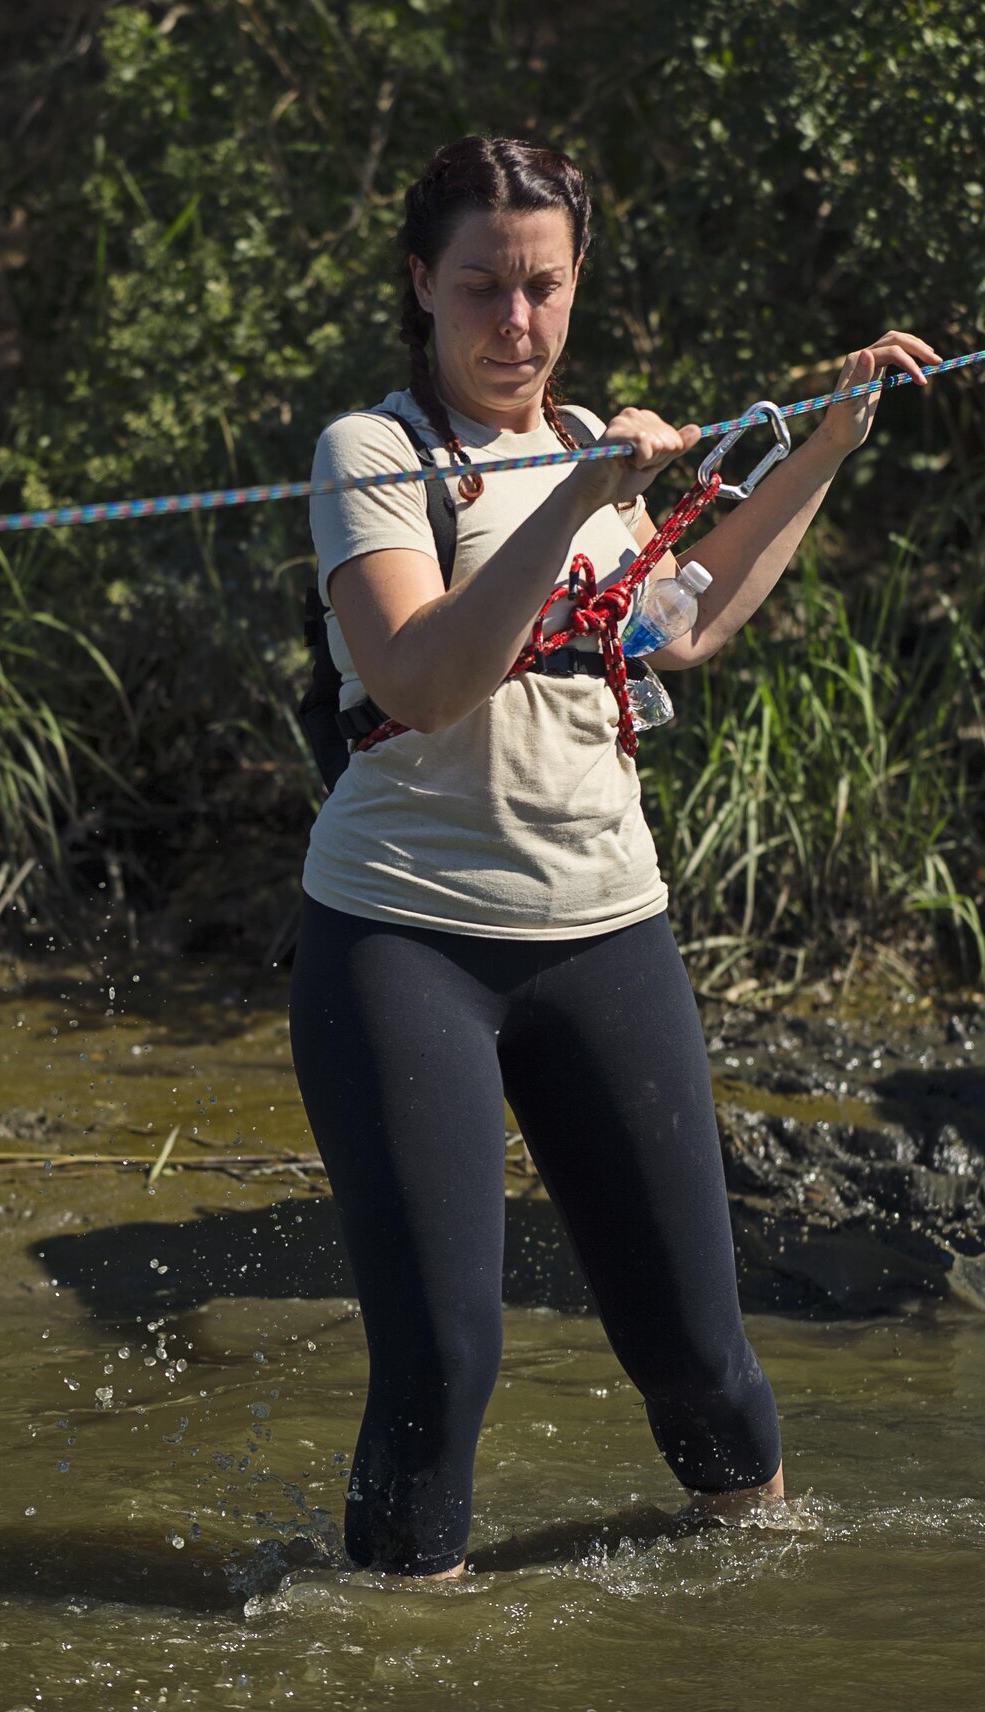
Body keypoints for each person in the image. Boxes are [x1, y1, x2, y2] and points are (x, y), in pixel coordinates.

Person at [288, 135, 935, 1579]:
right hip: (404, 944)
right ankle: (399, 1649)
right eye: (481, 290)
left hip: (605, 935)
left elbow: (683, 622)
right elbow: (426, 675)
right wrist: (575, 500)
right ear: (421, 284)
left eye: (543, 288)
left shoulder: (588, 444)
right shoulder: (374, 456)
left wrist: (825, 440)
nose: (515, 326)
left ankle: (755, 1615)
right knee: (447, 1361)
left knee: (704, 1360)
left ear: (576, 285)